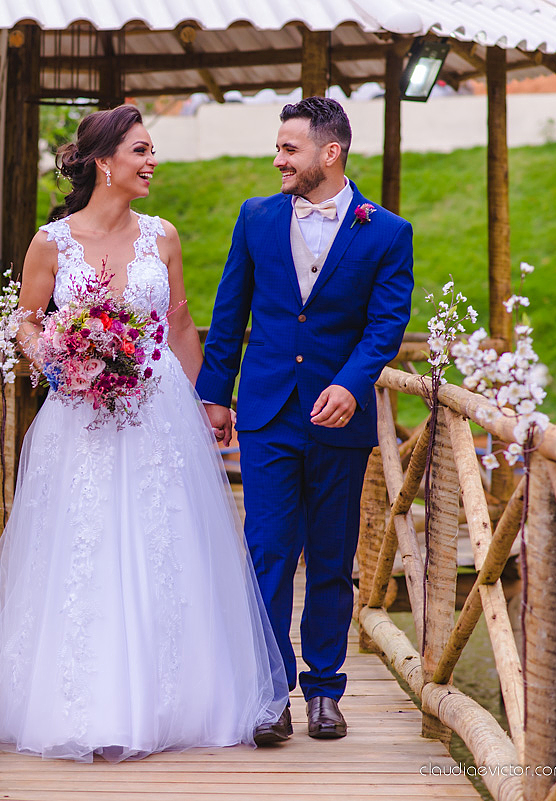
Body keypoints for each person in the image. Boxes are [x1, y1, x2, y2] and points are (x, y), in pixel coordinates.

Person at [0, 105, 288, 762]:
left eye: (151, 151)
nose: (152, 162)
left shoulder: (162, 236)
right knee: (83, 542)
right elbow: (26, 320)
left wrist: (210, 402)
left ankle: (175, 697)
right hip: (79, 415)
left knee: (163, 539)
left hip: (157, 409)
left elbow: (180, 325)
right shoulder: (51, 242)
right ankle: (83, 701)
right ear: (103, 163)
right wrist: (60, 356)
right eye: (141, 151)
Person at [197, 97, 414, 741]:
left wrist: (352, 383)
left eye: (289, 149)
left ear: (330, 152)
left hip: (337, 419)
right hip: (267, 413)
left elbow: (386, 325)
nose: (278, 160)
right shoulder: (256, 217)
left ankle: (325, 690)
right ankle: (270, 694)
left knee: (330, 556)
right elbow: (230, 309)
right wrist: (215, 394)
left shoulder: (386, 232)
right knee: (266, 552)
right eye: (278, 147)